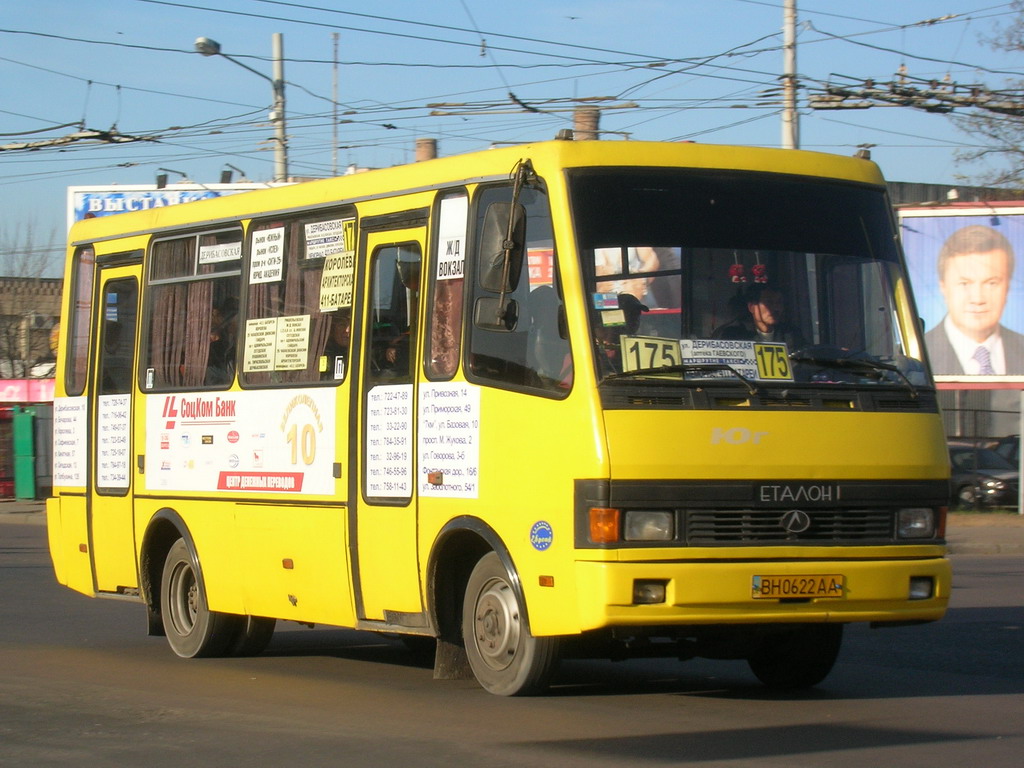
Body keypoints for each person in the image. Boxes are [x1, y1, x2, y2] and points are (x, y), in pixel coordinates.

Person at [925, 224, 1024, 375]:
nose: (977, 299)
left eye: (992, 283)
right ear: (943, 287)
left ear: (1008, 288)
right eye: (964, 283)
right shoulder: (915, 355)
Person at [713, 283, 805, 348]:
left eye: (779, 302)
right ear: (752, 307)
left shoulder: (792, 334)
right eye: (769, 302)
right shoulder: (732, 334)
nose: (776, 308)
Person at [321, 308, 351, 380]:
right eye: (342, 325)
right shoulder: (322, 353)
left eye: (351, 324)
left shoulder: (366, 356)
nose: (347, 330)